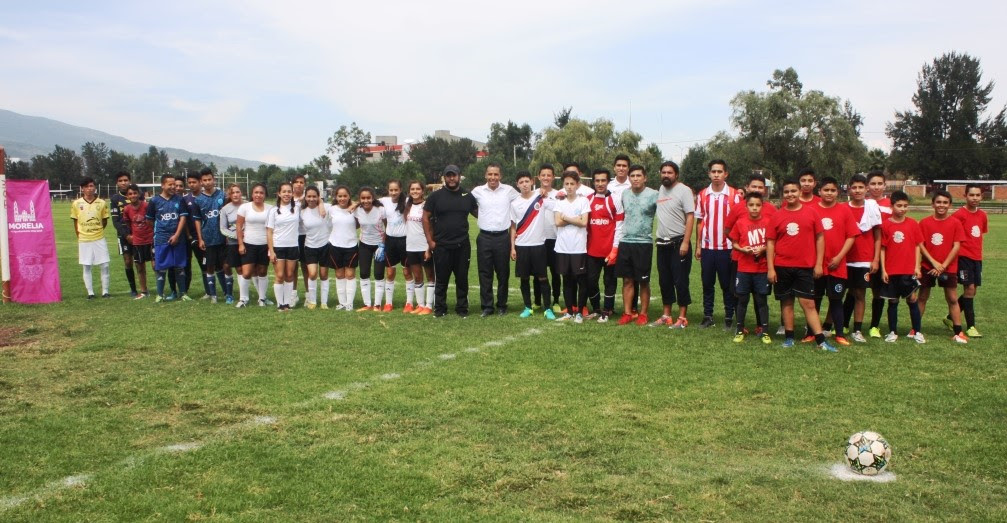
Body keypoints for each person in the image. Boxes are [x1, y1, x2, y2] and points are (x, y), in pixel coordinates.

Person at [766, 179, 836, 352]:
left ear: (799, 192)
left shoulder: (811, 213)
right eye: (787, 192)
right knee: (787, 302)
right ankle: (789, 337)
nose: (790, 194)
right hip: (782, 266)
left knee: (809, 303)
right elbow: (770, 243)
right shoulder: (777, 215)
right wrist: (770, 268)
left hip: (805, 267)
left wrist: (819, 263)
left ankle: (820, 340)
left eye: (793, 191)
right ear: (783, 194)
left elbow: (820, 238)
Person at [804, 176, 858, 346]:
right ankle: (812, 332)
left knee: (836, 300)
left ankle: (839, 334)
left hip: (837, 265)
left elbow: (851, 236)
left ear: (838, 192)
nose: (829, 193)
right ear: (819, 191)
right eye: (826, 190)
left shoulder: (844, 211)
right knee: (815, 300)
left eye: (833, 190)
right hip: (816, 265)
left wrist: (840, 257)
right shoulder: (811, 210)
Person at [424, 165, 478, 318]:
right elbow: (425, 218)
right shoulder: (436, 196)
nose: (451, 178)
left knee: (462, 279)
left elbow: (479, 214)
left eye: (454, 175)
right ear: (444, 178)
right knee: (441, 280)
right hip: (441, 246)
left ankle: (462, 309)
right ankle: (440, 309)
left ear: (459, 176)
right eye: (448, 175)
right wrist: (430, 242)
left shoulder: (467, 195)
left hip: (462, 245)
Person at [725, 174, 775, 334]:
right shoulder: (738, 208)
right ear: (747, 187)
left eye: (761, 187)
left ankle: (761, 325)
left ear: (765, 190)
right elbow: (728, 230)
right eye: (754, 186)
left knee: (760, 296)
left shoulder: (771, 209)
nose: (757, 190)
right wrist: (742, 246)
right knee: (740, 293)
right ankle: (740, 325)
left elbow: (775, 236)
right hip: (741, 260)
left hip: (762, 263)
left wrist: (763, 248)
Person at [694, 159, 742, 329]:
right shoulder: (702, 195)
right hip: (708, 247)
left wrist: (735, 245)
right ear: (709, 174)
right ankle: (708, 316)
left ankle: (729, 317)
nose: (716, 175)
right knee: (707, 284)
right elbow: (700, 222)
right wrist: (698, 245)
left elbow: (739, 222)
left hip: (727, 248)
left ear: (725, 174)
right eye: (713, 172)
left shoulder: (735, 195)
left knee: (727, 285)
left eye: (719, 172)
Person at [919, 190, 968, 343]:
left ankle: (958, 332)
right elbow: (920, 245)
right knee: (922, 297)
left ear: (950, 205)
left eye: (945, 203)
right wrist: (933, 263)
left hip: (949, 267)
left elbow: (956, 246)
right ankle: (916, 329)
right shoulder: (924, 222)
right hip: (927, 266)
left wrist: (943, 265)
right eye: (938, 202)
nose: (941, 205)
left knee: (952, 298)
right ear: (933, 204)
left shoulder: (955, 223)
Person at [652, 161, 695, 328]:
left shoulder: (684, 190)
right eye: (663, 172)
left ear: (676, 174)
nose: (666, 175)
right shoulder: (661, 190)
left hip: (679, 243)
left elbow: (690, 217)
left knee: (681, 281)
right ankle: (666, 315)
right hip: (662, 244)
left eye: (670, 172)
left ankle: (682, 318)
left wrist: (685, 242)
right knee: (665, 281)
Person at [472, 162, 519, 317]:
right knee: (485, 273)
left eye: (496, 174)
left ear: (500, 176)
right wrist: (481, 216)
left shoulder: (509, 191)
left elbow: (522, 202)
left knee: (503, 273)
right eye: (490, 174)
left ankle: (502, 305)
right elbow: (467, 205)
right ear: (486, 175)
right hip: (484, 237)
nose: (493, 177)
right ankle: (487, 306)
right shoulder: (478, 191)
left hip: (502, 237)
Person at [840, 174, 882, 343]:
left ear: (866, 189)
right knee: (841, 292)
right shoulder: (843, 208)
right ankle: (839, 325)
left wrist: (876, 259)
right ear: (849, 189)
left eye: (860, 187)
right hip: (844, 258)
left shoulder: (872, 208)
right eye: (854, 187)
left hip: (864, 259)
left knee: (860, 294)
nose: (857, 191)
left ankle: (857, 330)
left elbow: (878, 236)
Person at [879, 191, 925, 343]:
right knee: (893, 301)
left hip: (908, 270)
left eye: (905, 206)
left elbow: (918, 246)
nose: (902, 209)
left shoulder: (913, 224)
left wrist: (917, 266)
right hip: (892, 270)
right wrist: (884, 270)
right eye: (899, 206)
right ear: (892, 206)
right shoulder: (885, 225)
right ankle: (893, 332)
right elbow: (883, 248)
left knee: (912, 299)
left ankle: (917, 332)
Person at [616, 165, 658, 326]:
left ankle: (643, 314)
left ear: (645, 178)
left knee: (643, 281)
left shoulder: (654, 194)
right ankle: (628, 313)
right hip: (626, 242)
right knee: (627, 280)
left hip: (644, 243)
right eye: (632, 175)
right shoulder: (625, 194)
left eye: (638, 175)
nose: (635, 178)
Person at [510, 171, 556, 320]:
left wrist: (548, 195)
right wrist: (512, 247)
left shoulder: (540, 198)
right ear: (517, 185)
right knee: (524, 279)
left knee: (542, 277)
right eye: (521, 182)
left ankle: (548, 308)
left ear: (531, 182)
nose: (524, 184)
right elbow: (513, 227)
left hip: (538, 245)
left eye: (526, 181)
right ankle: (528, 307)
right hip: (521, 245)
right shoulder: (515, 203)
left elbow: (556, 206)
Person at [584, 168, 623, 323]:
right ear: (593, 182)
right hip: (591, 251)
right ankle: (596, 309)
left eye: (603, 180)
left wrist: (615, 249)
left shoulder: (615, 199)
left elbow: (619, 225)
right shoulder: (587, 199)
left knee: (609, 282)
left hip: (609, 251)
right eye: (597, 181)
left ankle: (607, 310)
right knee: (590, 281)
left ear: (608, 182)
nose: (600, 184)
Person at [553, 171, 591, 323]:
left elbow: (583, 223)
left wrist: (566, 217)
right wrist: (575, 219)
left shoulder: (583, 201)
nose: (569, 187)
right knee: (566, 280)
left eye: (572, 184)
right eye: (566, 184)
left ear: (577, 185)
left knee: (581, 280)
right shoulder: (559, 202)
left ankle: (580, 312)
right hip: (562, 248)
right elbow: (557, 222)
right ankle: (569, 311)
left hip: (578, 248)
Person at [145, 174, 189, 302]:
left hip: (178, 238)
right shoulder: (154, 201)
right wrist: (161, 230)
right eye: (170, 184)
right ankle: (160, 294)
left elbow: (183, 218)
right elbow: (149, 220)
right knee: (161, 267)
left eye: (174, 184)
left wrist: (176, 234)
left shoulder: (179, 200)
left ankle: (183, 293)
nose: (173, 187)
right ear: (163, 185)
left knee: (179, 266)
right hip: (161, 238)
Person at [951, 183, 987, 338]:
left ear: (981, 197)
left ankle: (949, 317)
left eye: (977, 195)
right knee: (970, 289)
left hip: (977, 258)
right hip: (963, 257)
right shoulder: (959, 215)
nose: (974, 198)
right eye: (971, 195)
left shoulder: (983, 215)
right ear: (965, 196)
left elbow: (980, 235)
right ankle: (971, 326)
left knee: (972, 291)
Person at [71, 177, 111, 299]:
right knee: (86, 265)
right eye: (87, 186)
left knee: (105, 265)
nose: (90, 188)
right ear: (82, 189)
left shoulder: (102, 203)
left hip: (99, 238)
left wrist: (97, 230)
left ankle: (105, 291)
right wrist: (80, 234)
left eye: (92, 186)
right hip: (84, 239)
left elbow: (104, 221)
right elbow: (75, 222)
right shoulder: (76, 204)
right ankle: (90, 293)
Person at [235, 183, 273, 307]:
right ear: (252, 194)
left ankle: (262, 298)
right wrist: (241, 244)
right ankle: (243, 299)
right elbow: (239, 227)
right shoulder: (244, 207)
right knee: (246, 272)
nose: (258, 195)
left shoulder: (270, 208)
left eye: (261, 193)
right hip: (249, 244)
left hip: (264, 245)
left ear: (265, 195)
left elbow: (272, 228)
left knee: (262, 271)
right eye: (256, 192)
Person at [194, 168, 227, 304]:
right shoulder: (199, 200)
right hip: (208, 239)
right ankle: (213, 294)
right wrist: (200, 238)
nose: (207, 182)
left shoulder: (222, 195)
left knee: (224, 266)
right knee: (210, 266)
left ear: (214, 179)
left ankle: (227, 292)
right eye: (204, 180)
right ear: (201, 182)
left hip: (222, 237)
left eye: (209, 179)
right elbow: (197, 219)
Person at [866, 170, 893, 338]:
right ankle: (846, 324)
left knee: (880, 291)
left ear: (885, 185)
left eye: (879, 184)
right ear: (868, 186)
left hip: (886, 254)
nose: (876, 187)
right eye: (873, 184)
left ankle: (874, 326)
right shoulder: (864, 202)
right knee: (857, 290)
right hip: (865, 253)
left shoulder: (891, 204)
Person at [267, 182, 300, 311]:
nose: (287, 194)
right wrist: (271, 251)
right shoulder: (274, 210)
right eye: (284, 191)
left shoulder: (297, 208)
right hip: (278, 247)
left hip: (292, 246)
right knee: (280, 275)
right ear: (279, 194)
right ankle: (280, 304)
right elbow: (269, 231)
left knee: (290, 275)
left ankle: (287, 303)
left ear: (292, 194)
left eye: (289, 191)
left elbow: (312, 199)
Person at [325, 185, 359, 311]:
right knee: (339, 275)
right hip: (335, 246)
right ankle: (342, 302)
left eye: (345, 196)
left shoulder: (355, 209)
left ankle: (349, 303)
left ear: (349, 196)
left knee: (350, 274)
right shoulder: (332, 209)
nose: (342, 198)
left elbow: (369, 201)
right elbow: (328, 224)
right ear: (336, 197)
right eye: (340, 196)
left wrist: (357, 203)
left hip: (351, 245)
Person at [535, 164, 563, 311]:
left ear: (553, 177)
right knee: (538, 271)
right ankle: (538, 301)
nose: (546, 177)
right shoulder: (533, 194)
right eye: (543, 175)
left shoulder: (559, 195)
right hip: (537, 239)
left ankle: (556, 301)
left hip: (554, 238)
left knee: (555, 272)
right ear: (539, 177)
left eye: (549, 175)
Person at [379, 180, 409, 312]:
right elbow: (366, 200)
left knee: (407, 272)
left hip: (405, 241)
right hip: (390, 241)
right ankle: (388, 303)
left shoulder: (408, 201)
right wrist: (353, 206)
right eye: (391, 190)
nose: (393, 192)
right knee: (390, 272)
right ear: (388, 190)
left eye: (396, 190)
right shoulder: (384, 201)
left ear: (400, 189)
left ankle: (409, 303)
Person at [405, 180, 435, 315]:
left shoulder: (426, 206)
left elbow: (432, 227)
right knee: (417, 276)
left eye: (418, 189)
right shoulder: (407, 206)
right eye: (412, 189)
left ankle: (429, 305)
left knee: (430, 275)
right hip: (411, 246)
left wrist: (429, 247)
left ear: (423, 191)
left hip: (424, 246)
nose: (415, 191)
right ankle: (421, 304)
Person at [354, 187, 385, 311]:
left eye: (368, 198)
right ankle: (367, 304)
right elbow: (356, 225)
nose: (366, 200)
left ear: (373, 198)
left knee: (378, 274)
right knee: (364, 273)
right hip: (364, 244)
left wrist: (383, 245)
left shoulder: (381, 210)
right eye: (363, 198)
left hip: (379, 245)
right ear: (359, 199)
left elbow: (388, 227)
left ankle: (377, 305)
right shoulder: (357, 210)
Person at [181, 173, 211, 299]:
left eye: (194, 182)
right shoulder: (185, 199)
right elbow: (184, 218)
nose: (192, 185)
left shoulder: (206, 197)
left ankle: (209, 291)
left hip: (205, 237)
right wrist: (189, 236)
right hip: (190, 238)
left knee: (205, 264)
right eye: (190, 182)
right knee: (186, 264)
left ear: (200, 182)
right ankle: (184, 291)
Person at [300, 186, 330, 309]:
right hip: (310, 246)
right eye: (309, 196)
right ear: (305, 197)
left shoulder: (326, 207)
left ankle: (324, 302)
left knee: (323, 274)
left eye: (314, 196)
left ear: (318, 197)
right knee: (312, 274)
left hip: (325, 245)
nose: (311, 199)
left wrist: (322, 203)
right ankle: (312, 301)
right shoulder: (302, 212)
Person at [109, 171, 138, 297]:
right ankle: (133, 289)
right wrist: (127, 235)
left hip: (139, 234)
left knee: (140, 261)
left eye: (125, 180)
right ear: (117, 183)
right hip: (124, 236)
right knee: (127, 261)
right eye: (120, 181)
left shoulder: (136, 195)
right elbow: (116, 221)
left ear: (130, 181)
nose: (123, 183)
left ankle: (144, 288)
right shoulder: (115, 199)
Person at [121, 183, 152, 299]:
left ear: (139, 194)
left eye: (135, 193)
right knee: (140, 267)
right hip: (138, 242)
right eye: (130, 194)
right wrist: (130, 235)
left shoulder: (147, 206)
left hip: (150, 239)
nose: (133, 195)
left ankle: (160, 289)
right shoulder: (127, 209)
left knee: (156, 265)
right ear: (127, 196)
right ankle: (144, 291)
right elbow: (127, 223)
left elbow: (153, 219)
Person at [218, 183, 245, 305]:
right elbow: (223, 229)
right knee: (229, 267)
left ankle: (243, 295)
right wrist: (237, 236)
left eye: (237, 192)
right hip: (232, 243)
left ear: (241, 193)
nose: (235, 194)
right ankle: (229, 294)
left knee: (243, 269)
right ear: (229, 195)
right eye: (232, 192)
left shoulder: (247, 206)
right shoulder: (225, 209)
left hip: (248, 242)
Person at [291, 173, 309, 301]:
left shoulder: (309, 198)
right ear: (292, 183)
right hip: (291, 236)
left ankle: (309, 294)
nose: (299, 184)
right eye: (296, 182)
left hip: (306, 235)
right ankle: (293, 294)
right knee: (293, 266)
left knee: (305, 265)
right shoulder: (287, 197)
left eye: (301, 182)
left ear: (305, 185)